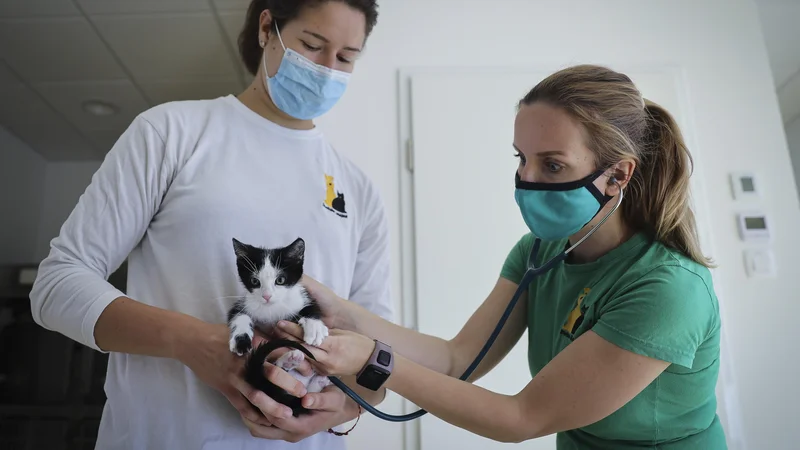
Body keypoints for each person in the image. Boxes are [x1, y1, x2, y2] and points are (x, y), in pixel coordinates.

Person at [278, 65, 728, 449]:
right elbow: (458, 360)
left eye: (551, 165)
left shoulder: (668, 289)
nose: (525, 180)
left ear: (617, 175)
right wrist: (345, 314)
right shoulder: (539, 253)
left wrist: (374, 360)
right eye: (521, 159)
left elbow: (522, 418)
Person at [28, 0, 391, 449]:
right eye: (312, 46)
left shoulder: (359, 191)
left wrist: (348, 405)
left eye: (346, 58)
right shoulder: (172, 133)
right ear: (267, 29)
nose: (327, 69)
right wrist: (193, 342)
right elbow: (56, 286)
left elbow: (378, 358)